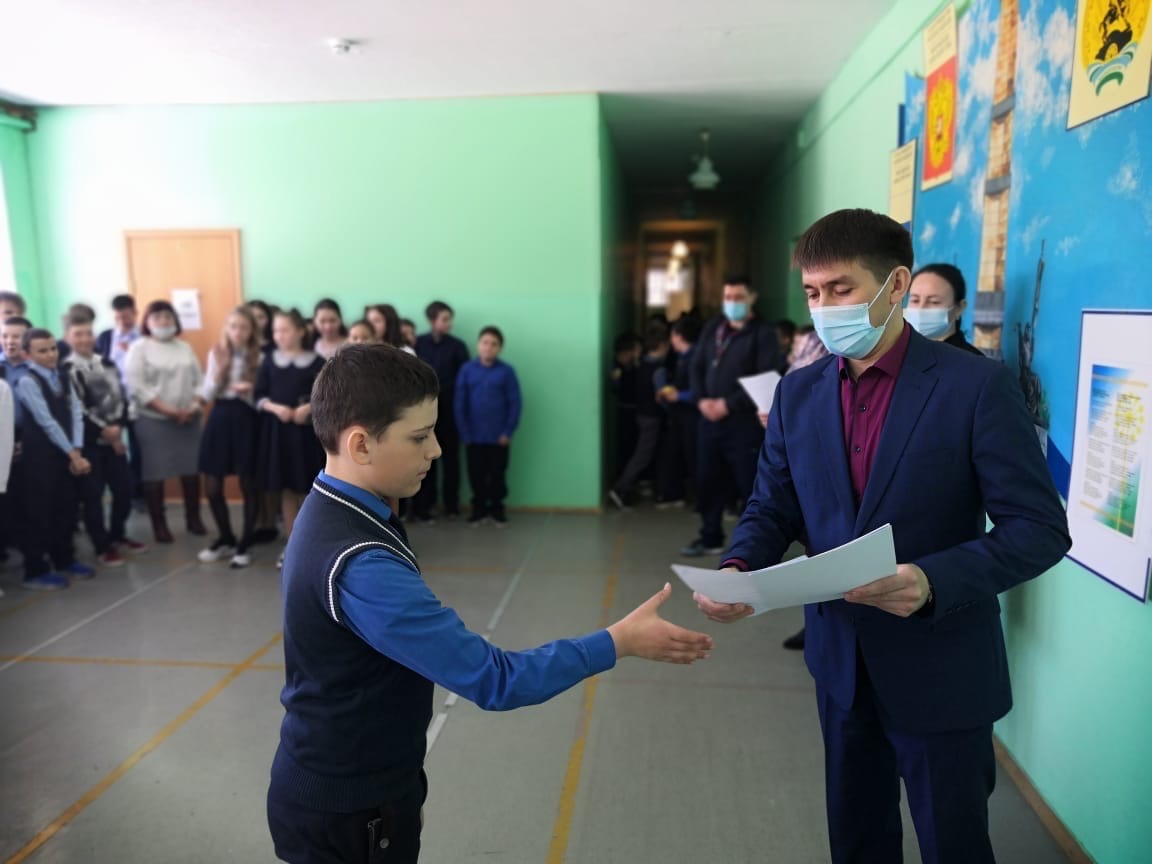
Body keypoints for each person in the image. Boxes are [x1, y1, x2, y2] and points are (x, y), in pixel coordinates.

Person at [694, 209, 1071, 864]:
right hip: (840, 667)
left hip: (941, 666)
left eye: (841, 289)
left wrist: (932, 580)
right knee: (858, 840)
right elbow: (772, 504)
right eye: (813, 293)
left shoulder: (975, 387)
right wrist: (739, 565)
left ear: (895, 285)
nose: (824, 308)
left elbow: (1038, 529)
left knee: (954, 844)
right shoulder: (798, 395)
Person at [266, 344, 712, 864]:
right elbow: (497, 680)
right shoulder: (361, 563)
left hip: (359, 790)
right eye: (419, 437)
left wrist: (402, 790)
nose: (436, 450)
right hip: (347, 811)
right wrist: (619, 641)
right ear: (360, 444)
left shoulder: (333, 506)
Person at [680, 276, 781, 556]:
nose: (732, 303)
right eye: (728, 297)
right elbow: (697, 366)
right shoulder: (714, 328)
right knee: (707, 481)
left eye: (738, 297)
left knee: (749, 486)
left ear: (752, 298)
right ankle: (710, 536)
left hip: (743, 424)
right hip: (708, 420)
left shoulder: (763, 334)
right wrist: (701, 400)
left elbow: (766, 377)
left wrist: (728, 404)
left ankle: (754, 548)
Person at [64, 314, 147, 567]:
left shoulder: (107, 363)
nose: (85, 339)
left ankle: (117, 535)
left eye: (88, 333)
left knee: (124, 490)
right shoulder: (66, 369)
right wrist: (103, 431)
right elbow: (77, 408)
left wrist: (118, 427)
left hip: (114, 439)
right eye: (78, 334)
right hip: (88, 443)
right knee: (94, 496)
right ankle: (102, 547)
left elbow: (120, 397)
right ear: (68, 337)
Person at [15, 328, 94, 590]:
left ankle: (64, 558)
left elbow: (76, 413)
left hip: (67, 454)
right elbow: (46, 421)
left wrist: (77, 449)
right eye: (42, 351)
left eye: (52, 349)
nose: (50, 355)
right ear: (27, 355)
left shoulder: (63, 375)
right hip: (41, 457)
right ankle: (35, 569)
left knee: (66, 507)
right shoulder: (28, 382)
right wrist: (72, 454)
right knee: (40, 512)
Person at [124, 300, 206, 543]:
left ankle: (194, 519)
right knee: (154, 473)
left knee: (191, 470)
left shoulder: (184, 347)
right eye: (157, 317)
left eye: (168, 316)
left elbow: (200, 381)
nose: (163, 321)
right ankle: (159, 526)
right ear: (147, 322)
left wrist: (192, 407)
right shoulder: (139, 348)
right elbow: (138, 386)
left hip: (189, 418)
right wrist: (170, 411)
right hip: (153, 421)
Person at [255, 309, 326, 569]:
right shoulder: (269, 361)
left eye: (285, 330)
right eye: (276, 331)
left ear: (300, 331)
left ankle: (313, 543)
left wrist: (306, 409)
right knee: (286, 488)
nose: (279, 335)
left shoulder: (317, 362)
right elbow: (259, 396)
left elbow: (325, 395)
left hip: (306, 434)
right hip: (279, 433)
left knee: (309, 488)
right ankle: (292, 544)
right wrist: (277, 408)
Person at [197, 307, 263, 568]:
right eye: (233, 326)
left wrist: (250, 389)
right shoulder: (217, 352)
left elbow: (263, 396)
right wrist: (220, 372)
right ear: (227, 328)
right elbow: (208, 392)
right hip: (220, 416)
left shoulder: (259, 356)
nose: (238, 332)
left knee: (248, 482)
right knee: (212, 485)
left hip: (246, 416)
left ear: (252, 331)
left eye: (244, 327)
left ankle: (245, 543)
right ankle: (225, 537)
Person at [455, 326, 520, 527]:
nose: (488, 347)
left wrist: (508, 431)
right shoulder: (467, 370)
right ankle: (479, 510)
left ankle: (497, 510)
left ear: (500, 348)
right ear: (478, 344)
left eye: (494, 344)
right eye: (485, 342)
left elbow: (515, 403)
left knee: (497, 474)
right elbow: (459, 403)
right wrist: (464, 432)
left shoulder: (506, 372)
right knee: (476, 475)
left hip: (499, 437)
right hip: (473, 436)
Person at [412, 301, 469, 524]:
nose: (449, 323)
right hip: (425, 412)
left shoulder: (458, 347)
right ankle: (426, 506)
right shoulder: (419, 344)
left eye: (449, 319)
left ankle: (452, 506)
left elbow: (464, 381)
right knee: (427, 459)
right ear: (432, 320)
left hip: (451, 412)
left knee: (451, 461)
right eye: (444, 319)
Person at [608, 323, 670, 509]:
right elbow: (661, 396)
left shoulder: (642, 365)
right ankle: (620, 488)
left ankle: (632, 484)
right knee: (642, 454)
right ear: (662, 346)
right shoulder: (658, 369)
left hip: (641, 413)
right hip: (649, 415)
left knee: (642, 452)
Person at [655, 315, 701, 508]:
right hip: (680, 415)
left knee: (694, 456)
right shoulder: (682, 357)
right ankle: (674, 493)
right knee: (674, 452)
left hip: (692, 415)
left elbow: (699, 391)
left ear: (679, 336)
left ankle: (701, 499)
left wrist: (678, 396)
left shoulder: (696, 358)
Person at [906, 263, 983, 356]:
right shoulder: (902, 353)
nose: (921, 309)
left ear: (959, 308)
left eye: (934, 302)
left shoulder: (972, 361)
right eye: (915, 300)